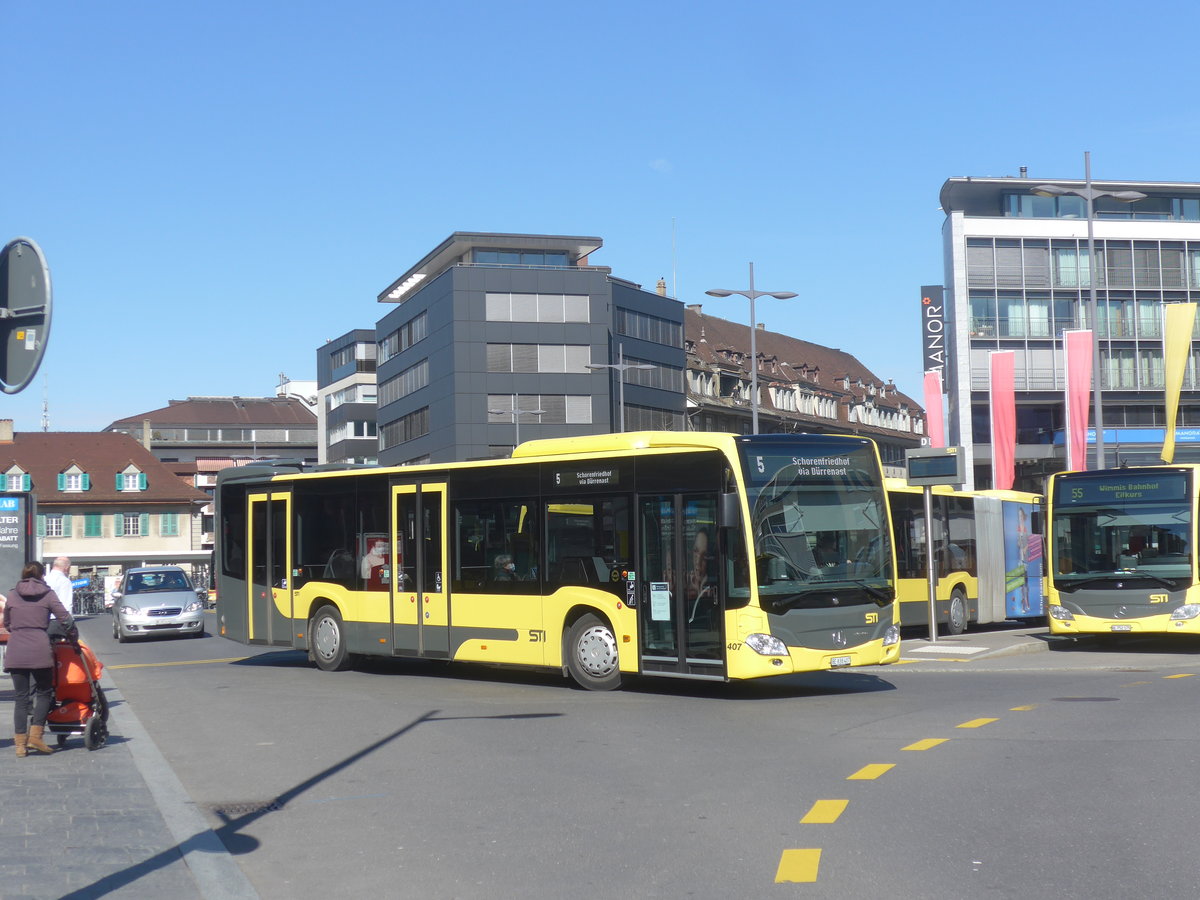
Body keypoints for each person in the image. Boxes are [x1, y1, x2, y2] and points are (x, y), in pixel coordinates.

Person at [4, 561, 73, 757]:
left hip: (16, 648)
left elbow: (7, 622)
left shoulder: (12, 594)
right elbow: (64, 618)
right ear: (42, 575)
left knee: (20, 697)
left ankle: (20, 745)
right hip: (39, 647)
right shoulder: (48, 594)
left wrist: (18, 630)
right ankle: (36, 737)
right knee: (44, 691)